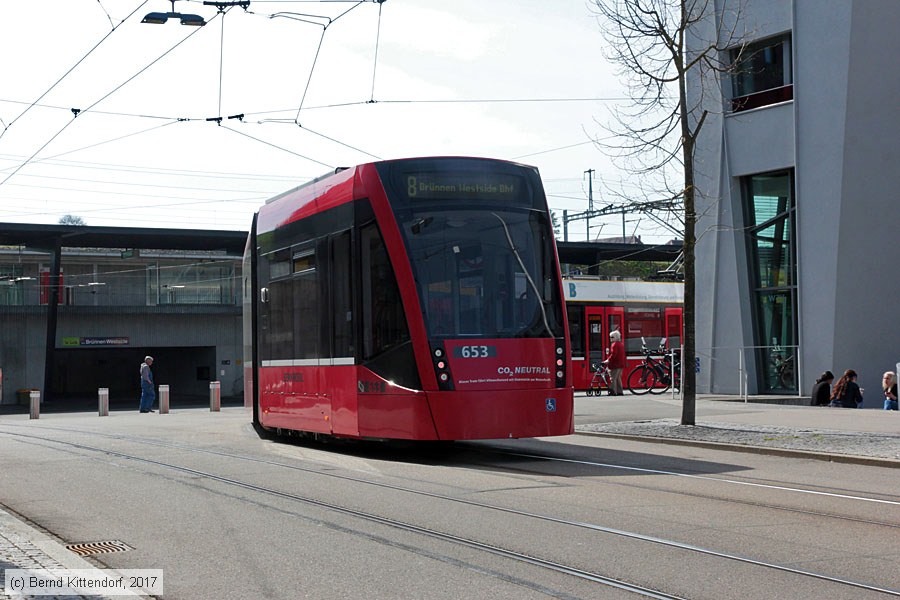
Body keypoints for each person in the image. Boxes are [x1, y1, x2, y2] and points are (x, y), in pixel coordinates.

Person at [603, 330, 626, 396]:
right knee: (618, 378)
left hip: (615, 364)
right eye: (610, 337)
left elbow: (613, 355)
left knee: (612, 378)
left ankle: (613, 391)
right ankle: (620, 391)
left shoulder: (614, 344)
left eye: (612, 337)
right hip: (620, 364)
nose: (610, 338)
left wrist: (608, 360)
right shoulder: (620, 344)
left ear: (616, 337)